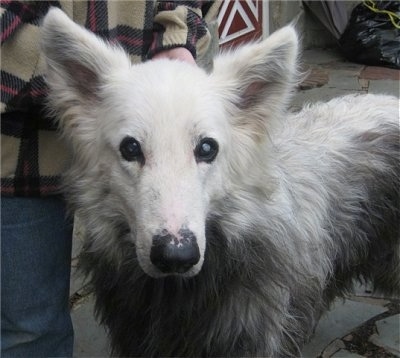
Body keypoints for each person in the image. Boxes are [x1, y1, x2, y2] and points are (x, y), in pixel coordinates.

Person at [1, 1, 220, 356]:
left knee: (172, 323)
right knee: (28, 329)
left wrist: (177, 36)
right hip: (16, 146)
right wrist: (85, 84)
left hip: (142, 108)